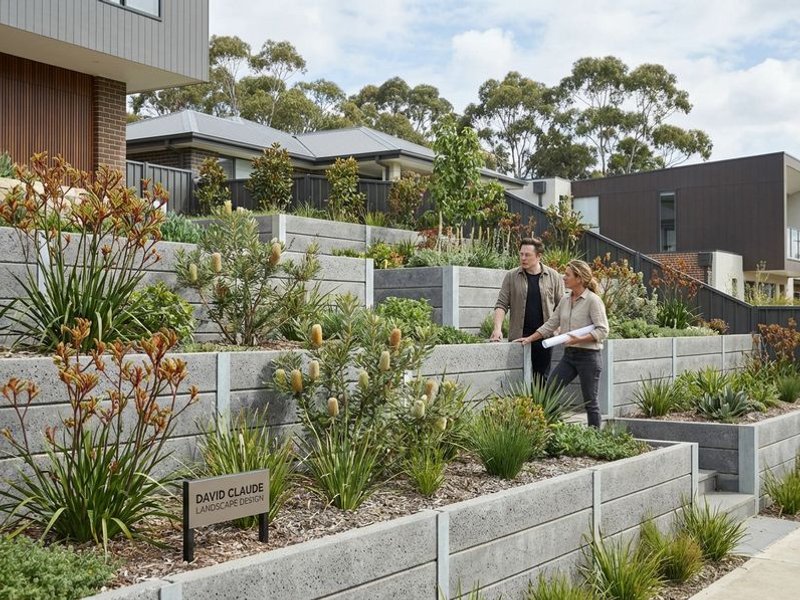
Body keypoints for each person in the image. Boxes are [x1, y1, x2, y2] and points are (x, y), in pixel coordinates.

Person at [516, 259, 609, 428]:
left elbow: (603, 331)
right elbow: (551, 324)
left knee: (590, 401)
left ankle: (595, 439)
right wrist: (530, 338)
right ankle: (552, 428)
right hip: (569, 356)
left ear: (579, 278)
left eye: (567, 275)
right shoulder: (565, 301)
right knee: (549, 390)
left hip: (589, 357)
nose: (563, 278)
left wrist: (578, 339)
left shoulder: (593, 301)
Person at [491, 237, 565, 383]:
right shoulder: (511, 276)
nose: (523, 258)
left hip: (545, 337)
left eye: (527, 255)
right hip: (519, 336)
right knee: (517, 379)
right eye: (521, 254)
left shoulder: (554, 276)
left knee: (541, 380)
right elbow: (501, 304)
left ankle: (538, 406)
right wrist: (497, 329)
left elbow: (562, 306)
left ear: (538, 256)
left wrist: (560, 328)